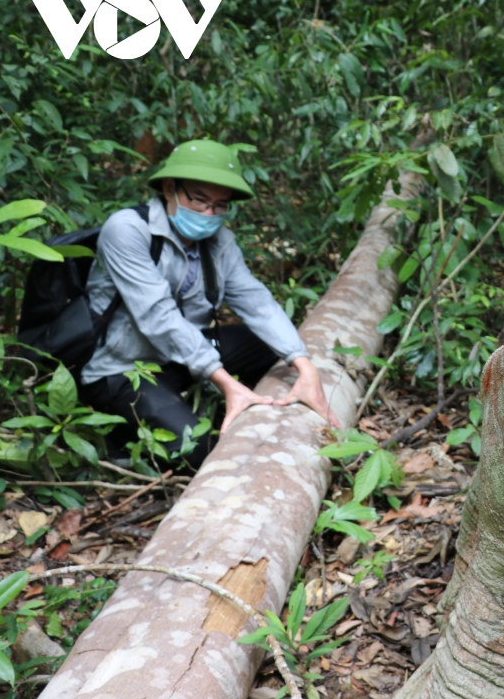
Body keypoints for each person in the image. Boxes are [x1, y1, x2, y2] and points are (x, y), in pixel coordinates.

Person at [79, 139, 339, 470]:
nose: (208, 214)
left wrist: (303, 363)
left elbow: (255, 301)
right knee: (196, 448)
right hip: (123, 369)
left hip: (178, 360)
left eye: (220, 206)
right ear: (170, 188)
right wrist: (227, 382)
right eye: (199, 200)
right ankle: (121, 437)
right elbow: (158, 317)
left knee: (266, 343)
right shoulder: (128, 230)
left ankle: (240, 399)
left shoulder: (219, 242)